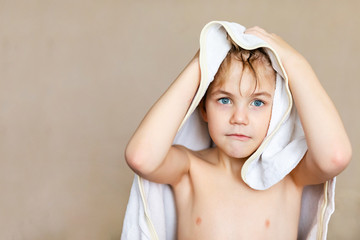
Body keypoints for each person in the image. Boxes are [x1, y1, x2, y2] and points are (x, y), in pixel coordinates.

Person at [124, 26, 352, 239]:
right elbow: (141, 158)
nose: (239, 118)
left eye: (257, 103)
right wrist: (203, 62)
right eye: (225, 100)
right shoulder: (190, 169)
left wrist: (294, 63)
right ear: (203, 108)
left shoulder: (288, 173)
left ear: (279, 111)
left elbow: (335, 157)